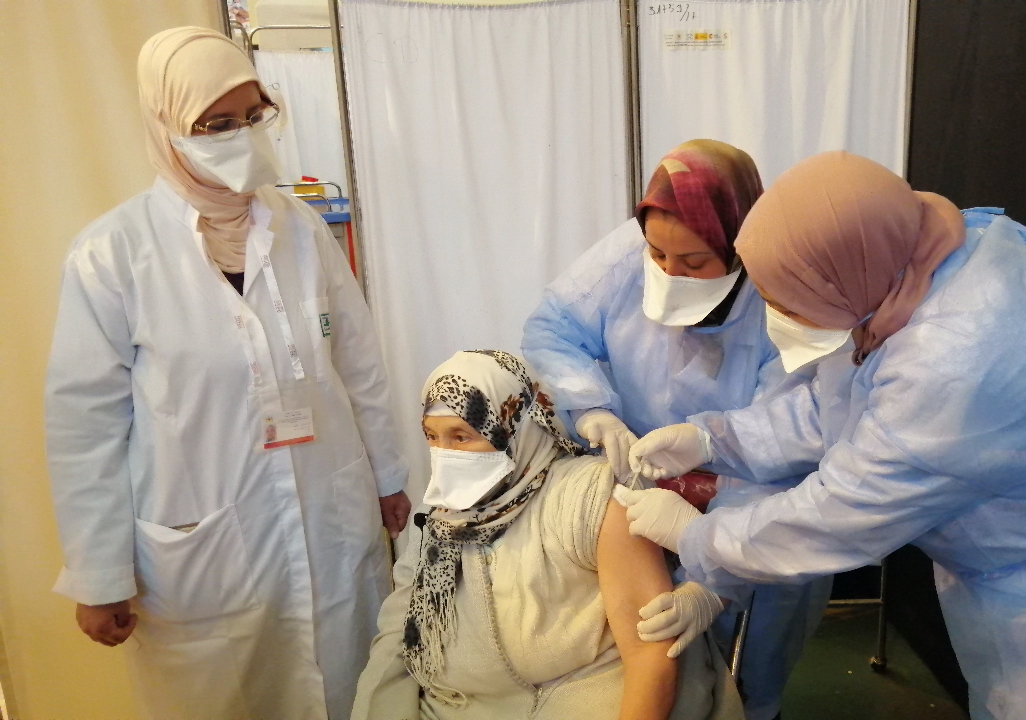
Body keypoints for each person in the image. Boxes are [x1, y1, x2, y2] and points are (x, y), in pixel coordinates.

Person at [619, 151, 1026, 720]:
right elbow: (841, 407)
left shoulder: (958, 357)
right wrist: (716, 439)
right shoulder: (909, 266)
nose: (778, 319)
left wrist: (699, 539)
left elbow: (841, 514)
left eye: (787, 302)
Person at [44, 27, 411, 720]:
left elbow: (359, 363)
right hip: (203, 544)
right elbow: (84, 430)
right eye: (217, 124)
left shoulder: (301, 229)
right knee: (226, 698)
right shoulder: (112, 255)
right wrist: (99, 572)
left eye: (253, 115)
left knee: (347, 680)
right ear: (167, 127)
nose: (243, 135)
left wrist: (389, 475)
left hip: (328, 513)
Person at [522, 140, 829, 720]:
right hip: (641, 488)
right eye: (657, 255)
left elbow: (790, 444)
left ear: (738, 246)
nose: (668, 273)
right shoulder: (627, 255)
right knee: (646, 660)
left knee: (746, 679)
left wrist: (715, 580)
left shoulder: (782, 295)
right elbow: (553, 330)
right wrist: (591, 408)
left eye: (693, 263)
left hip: (754, 496)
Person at [351, 350, 742, 720]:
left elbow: (649, 659)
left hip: (586, 699)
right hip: (457, 706)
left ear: (512, 428)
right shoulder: (440, 518)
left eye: (461, 436)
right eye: (432, 437)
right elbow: (397, 637)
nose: (445, 455)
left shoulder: (590, 498)